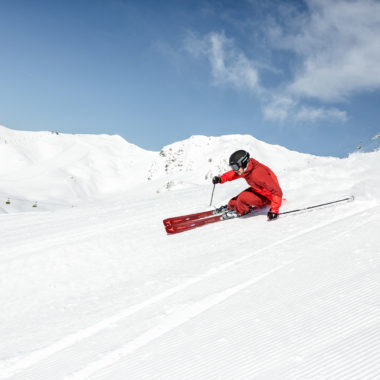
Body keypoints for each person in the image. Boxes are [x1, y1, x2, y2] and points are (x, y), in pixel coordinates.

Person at [212, 150, 283, 220]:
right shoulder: (246, 169)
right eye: (233, 167)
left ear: (243, 163)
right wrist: (220, 179)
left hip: (269, 198)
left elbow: (277, 191)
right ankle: (231, 206)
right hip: (259, 191)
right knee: (236, 199)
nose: (235, 170)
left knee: (242, 198)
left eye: (235, 167)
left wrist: (274, 210)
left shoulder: (258, 174)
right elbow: (233, 174)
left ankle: (241, 211)